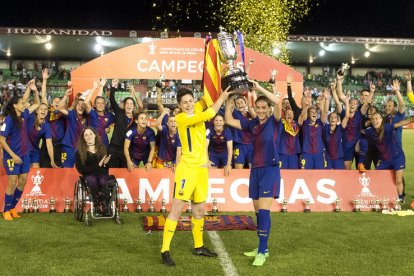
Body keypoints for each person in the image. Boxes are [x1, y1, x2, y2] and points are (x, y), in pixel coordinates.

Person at [160, 87, 229, 267]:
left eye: (191, 101)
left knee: (198, 210)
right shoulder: (181, 118)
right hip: (187, 169)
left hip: (201, 170)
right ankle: (164, 250)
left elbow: (206, 97)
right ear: (179, 105)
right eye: (185, 102)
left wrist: (216, 82)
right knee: (176, 210)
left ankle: (198, 246)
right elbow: (210, 113)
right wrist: (222, 97)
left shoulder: (196, 108)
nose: (189, 104)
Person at [225, 80, 282, 267]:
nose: (261, 110)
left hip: (270, 170)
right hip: (255, 170)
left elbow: (279, 102)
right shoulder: (253, 124)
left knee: (264, 212)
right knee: (258, 213)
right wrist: (229, 99)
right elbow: (228, 120)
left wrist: (258, 89)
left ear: (268, 108)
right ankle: (262, 249)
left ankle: (262, 251)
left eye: (264, 107)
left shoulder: (275, 121)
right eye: (258, 107)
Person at [1, 93, 39, 220]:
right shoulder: (9, 119)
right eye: (22, 103)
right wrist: (13, 155)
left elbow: (37, 104)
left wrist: (35, 91)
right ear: (15, 105)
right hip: (12, 156)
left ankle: (12, 207)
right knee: (12, 182)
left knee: (23, 181)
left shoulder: (23, 115)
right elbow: (1, 139)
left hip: (24, 154)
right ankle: (6, 210)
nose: (24, 105)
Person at [364, 113, 414, 202]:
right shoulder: (370, 131)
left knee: (398, 180)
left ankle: (400, 197)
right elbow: (361, 132)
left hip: (397, 157)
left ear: (381, 120)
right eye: (373, 119)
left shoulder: (387, 127)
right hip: (384, 160)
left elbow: (399, 124)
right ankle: (379, 196)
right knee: (376, 177)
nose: (375, 121)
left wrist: (410, 120)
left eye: (377, 119)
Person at [75, 127, 111, 216]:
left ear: (95, 135)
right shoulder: (79, 152)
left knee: (103, 180)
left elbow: (106, 168)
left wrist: (106, 163)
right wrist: (97, 165)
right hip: (88, 176)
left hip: (102, 174)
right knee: (92, 180)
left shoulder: (102, 148)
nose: (89, 136)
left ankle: (106, 206)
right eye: (86, 135)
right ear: (83, 138)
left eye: (91, 134)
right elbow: (81, 170)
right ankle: (96, 206)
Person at [107, 79, 136, 168]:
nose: (129, 105)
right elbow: (112, 100)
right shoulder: (119, 113)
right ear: (124, 105)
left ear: (134, 107)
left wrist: (134, 93)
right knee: (112, 171)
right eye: (127, 103)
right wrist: (113, 87)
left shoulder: (136, 119)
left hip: (127, 149)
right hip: (114, 148)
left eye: (131, 104)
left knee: (125, 173)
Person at [57, 88, 88, 168]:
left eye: (83, 105)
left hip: (82, 148)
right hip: (68, 147)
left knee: (82, 170)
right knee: (66, 170)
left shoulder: (89, 118)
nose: (80, 107)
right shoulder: (72, 114)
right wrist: (66, 95)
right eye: (78, 105)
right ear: (75, 106)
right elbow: (59, 108)